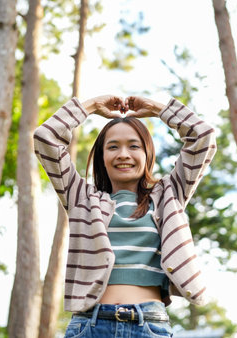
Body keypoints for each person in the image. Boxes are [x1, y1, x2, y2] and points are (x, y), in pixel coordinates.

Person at [34, 95, 217, 337]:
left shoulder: (169, 195)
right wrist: (90, 107)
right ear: (101, 156)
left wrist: (155, 109)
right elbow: (45, 138)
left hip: (150, 326)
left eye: (133, 146)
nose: (123, 154)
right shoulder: (82, 198)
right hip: (90, 326)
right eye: (113, 146)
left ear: (147, 153)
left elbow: (202, 137)